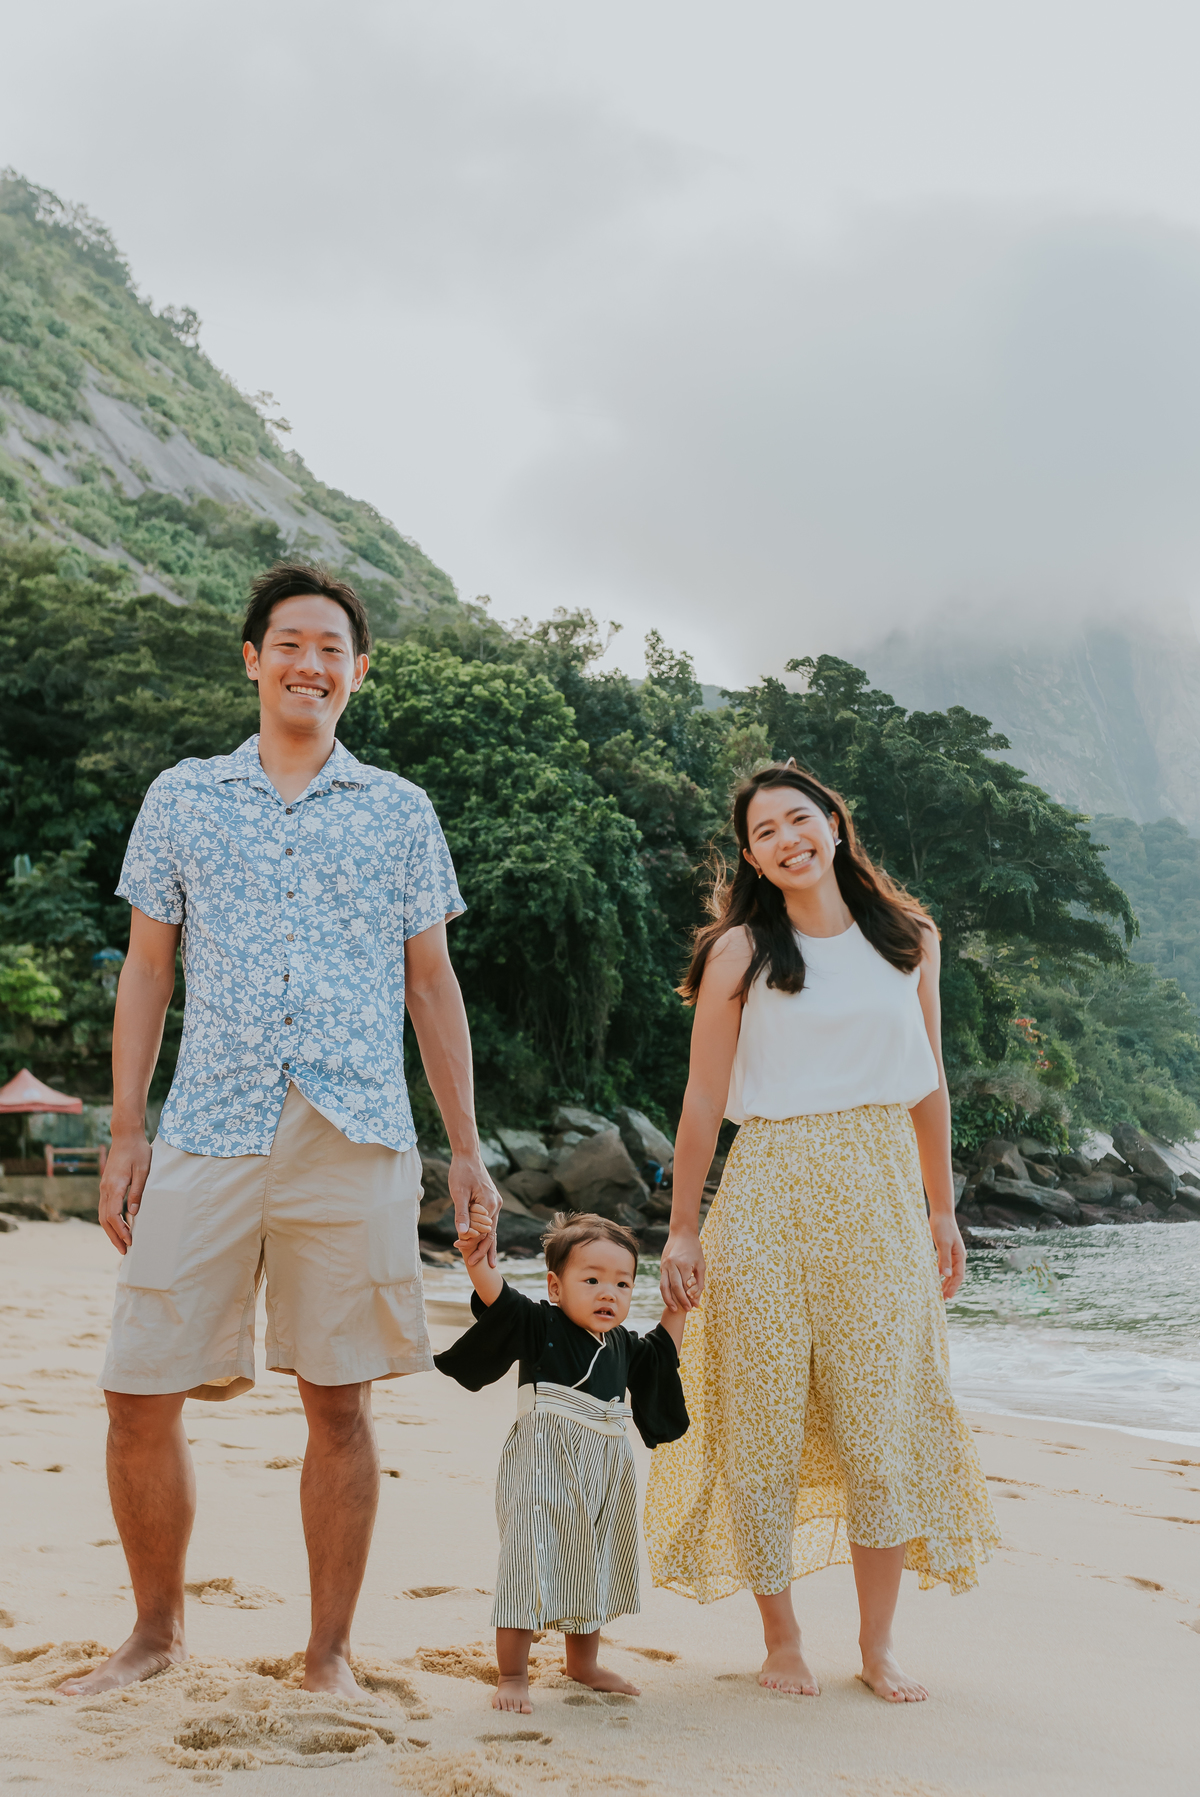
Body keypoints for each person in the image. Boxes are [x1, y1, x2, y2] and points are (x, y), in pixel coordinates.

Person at [59, 562, 500, 1701]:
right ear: (254, 659)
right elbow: (148, 969)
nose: (312, 664)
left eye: (332, 649)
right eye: (291, 644)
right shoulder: (183, 796)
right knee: (137, 1387)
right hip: (210, 1120)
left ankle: (328, 1654)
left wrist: (466, 1148)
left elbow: (431, 983)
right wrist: (125, 1129)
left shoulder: (399, 809)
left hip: (355, 1127)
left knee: (338, 1399)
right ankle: (154, 1634)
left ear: (359, 671)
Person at [644, 761, 1000, 1703]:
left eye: (798, 818)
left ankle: (878, 1646)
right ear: (752, 856)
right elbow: (703, 1098)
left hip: (881, 1195)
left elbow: (929, 1082)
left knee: (880, 1422)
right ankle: (782, 1636)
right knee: (762, 1417)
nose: (786, 839)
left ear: (833, 823)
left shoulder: (911, 938)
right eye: (764, 832)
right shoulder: (740, 951)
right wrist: (683, 1229)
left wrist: (942, 1207)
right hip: (767, 1191)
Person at [436, 1209, 689, 1714]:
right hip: (544, 1459)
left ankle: (583, 1664)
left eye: (622, 1283)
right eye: (591, 1280)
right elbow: (498, 1297)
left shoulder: (623, 1345)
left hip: (605, 1464)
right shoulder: (539, 1323)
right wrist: (476, 1259)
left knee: (590, 1560)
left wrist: (677, 1304)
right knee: (528, 1559)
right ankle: (512, 1674)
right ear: (555, 1286)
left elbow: (663, 1353)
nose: (608, 1293)